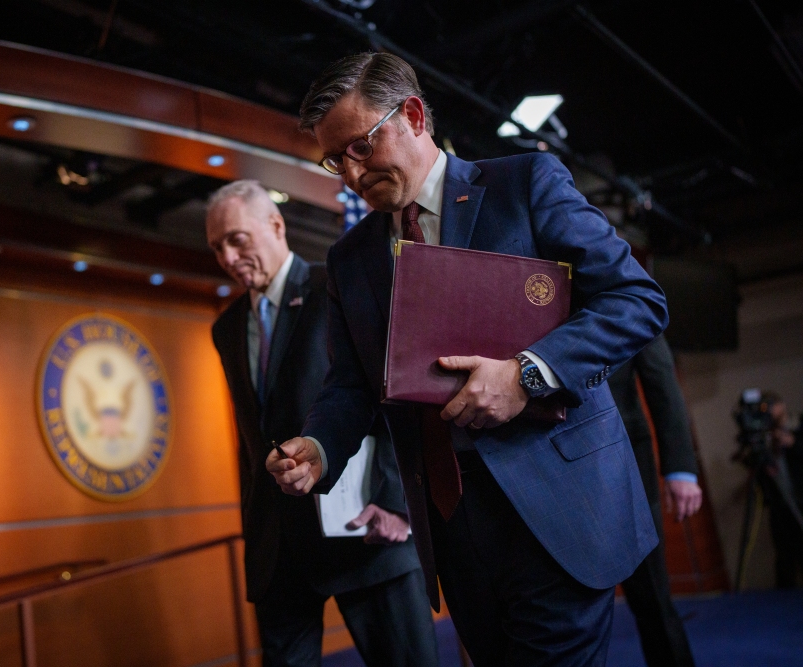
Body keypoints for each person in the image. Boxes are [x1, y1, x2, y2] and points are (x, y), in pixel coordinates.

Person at [265, 53, 669, 666]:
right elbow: (351, 386)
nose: (349, 173)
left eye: (360, 147)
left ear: (415, 115)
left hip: (556, 512)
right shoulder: (349, 261)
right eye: (333, 160)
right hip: (452, 532)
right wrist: (319, 449)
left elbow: (635, 300)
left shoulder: (526, 184)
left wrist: (526, 375)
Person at [206, 180, 439, 667]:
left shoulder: (337, 284)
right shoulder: (225, 328)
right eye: (217, 247)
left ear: (275, 225)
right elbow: (254, 435)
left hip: (367, 533)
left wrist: (397, 503)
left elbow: (398, 396)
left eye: (237, 239)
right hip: (278, 549)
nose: (228, 256)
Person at [607, 334, 703, 667]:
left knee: (652, 597)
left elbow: (659, 373)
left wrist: (680, 469)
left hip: (623, 459)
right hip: (541, 465)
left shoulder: (621, 285)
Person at [764, 392, 803, 588]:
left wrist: (793, 443)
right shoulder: (765, 438)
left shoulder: (799, 426)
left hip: (799, 502)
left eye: (771, 404)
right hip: (781, 508)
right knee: (785, 560)